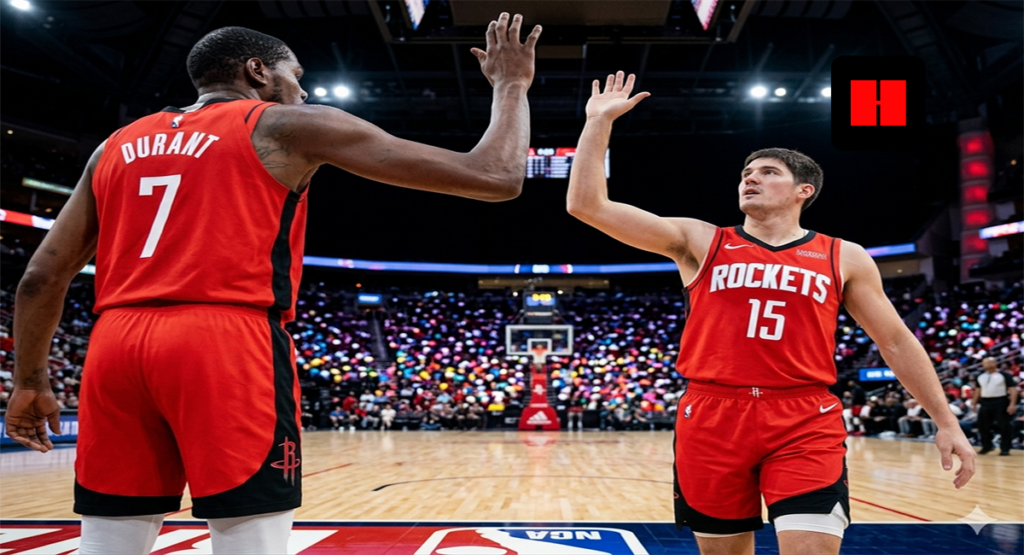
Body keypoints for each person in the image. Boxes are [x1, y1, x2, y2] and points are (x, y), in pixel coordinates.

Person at [7, 17, 542, 555]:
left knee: (109, 538)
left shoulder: (114, 145)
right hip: (224, 337)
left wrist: (29, 381)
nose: (303, 89)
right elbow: (495, 177)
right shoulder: (282, 124)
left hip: (115, 344)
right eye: (296, 73)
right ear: (256, 70)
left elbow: (41, 277)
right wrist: (511, 84)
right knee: (249, 535)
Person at [565, 71, 976, 555]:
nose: (750, 178)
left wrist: (946, 421)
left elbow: (896, 342)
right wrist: (597, 124)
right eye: (746, 173)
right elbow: (586, 205)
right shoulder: (700, 240)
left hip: (804, 415)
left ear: (804, 190)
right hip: (712, 415)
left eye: (767, 172)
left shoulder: (843, 255)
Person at [972, 357, 1019, 455]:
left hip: (1000, 401)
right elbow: (977, 391)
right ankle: (987, 446)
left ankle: (1005, 448)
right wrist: (974, 403)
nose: (988, 364)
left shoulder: (1004, 375)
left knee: (1004, 426)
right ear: (983, 365)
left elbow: (1013, 390)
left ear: (995, 363)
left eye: (990, 362)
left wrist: (1012, 404)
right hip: (985, 402)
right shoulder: (980, 376)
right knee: (982, 426)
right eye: (985, 363)